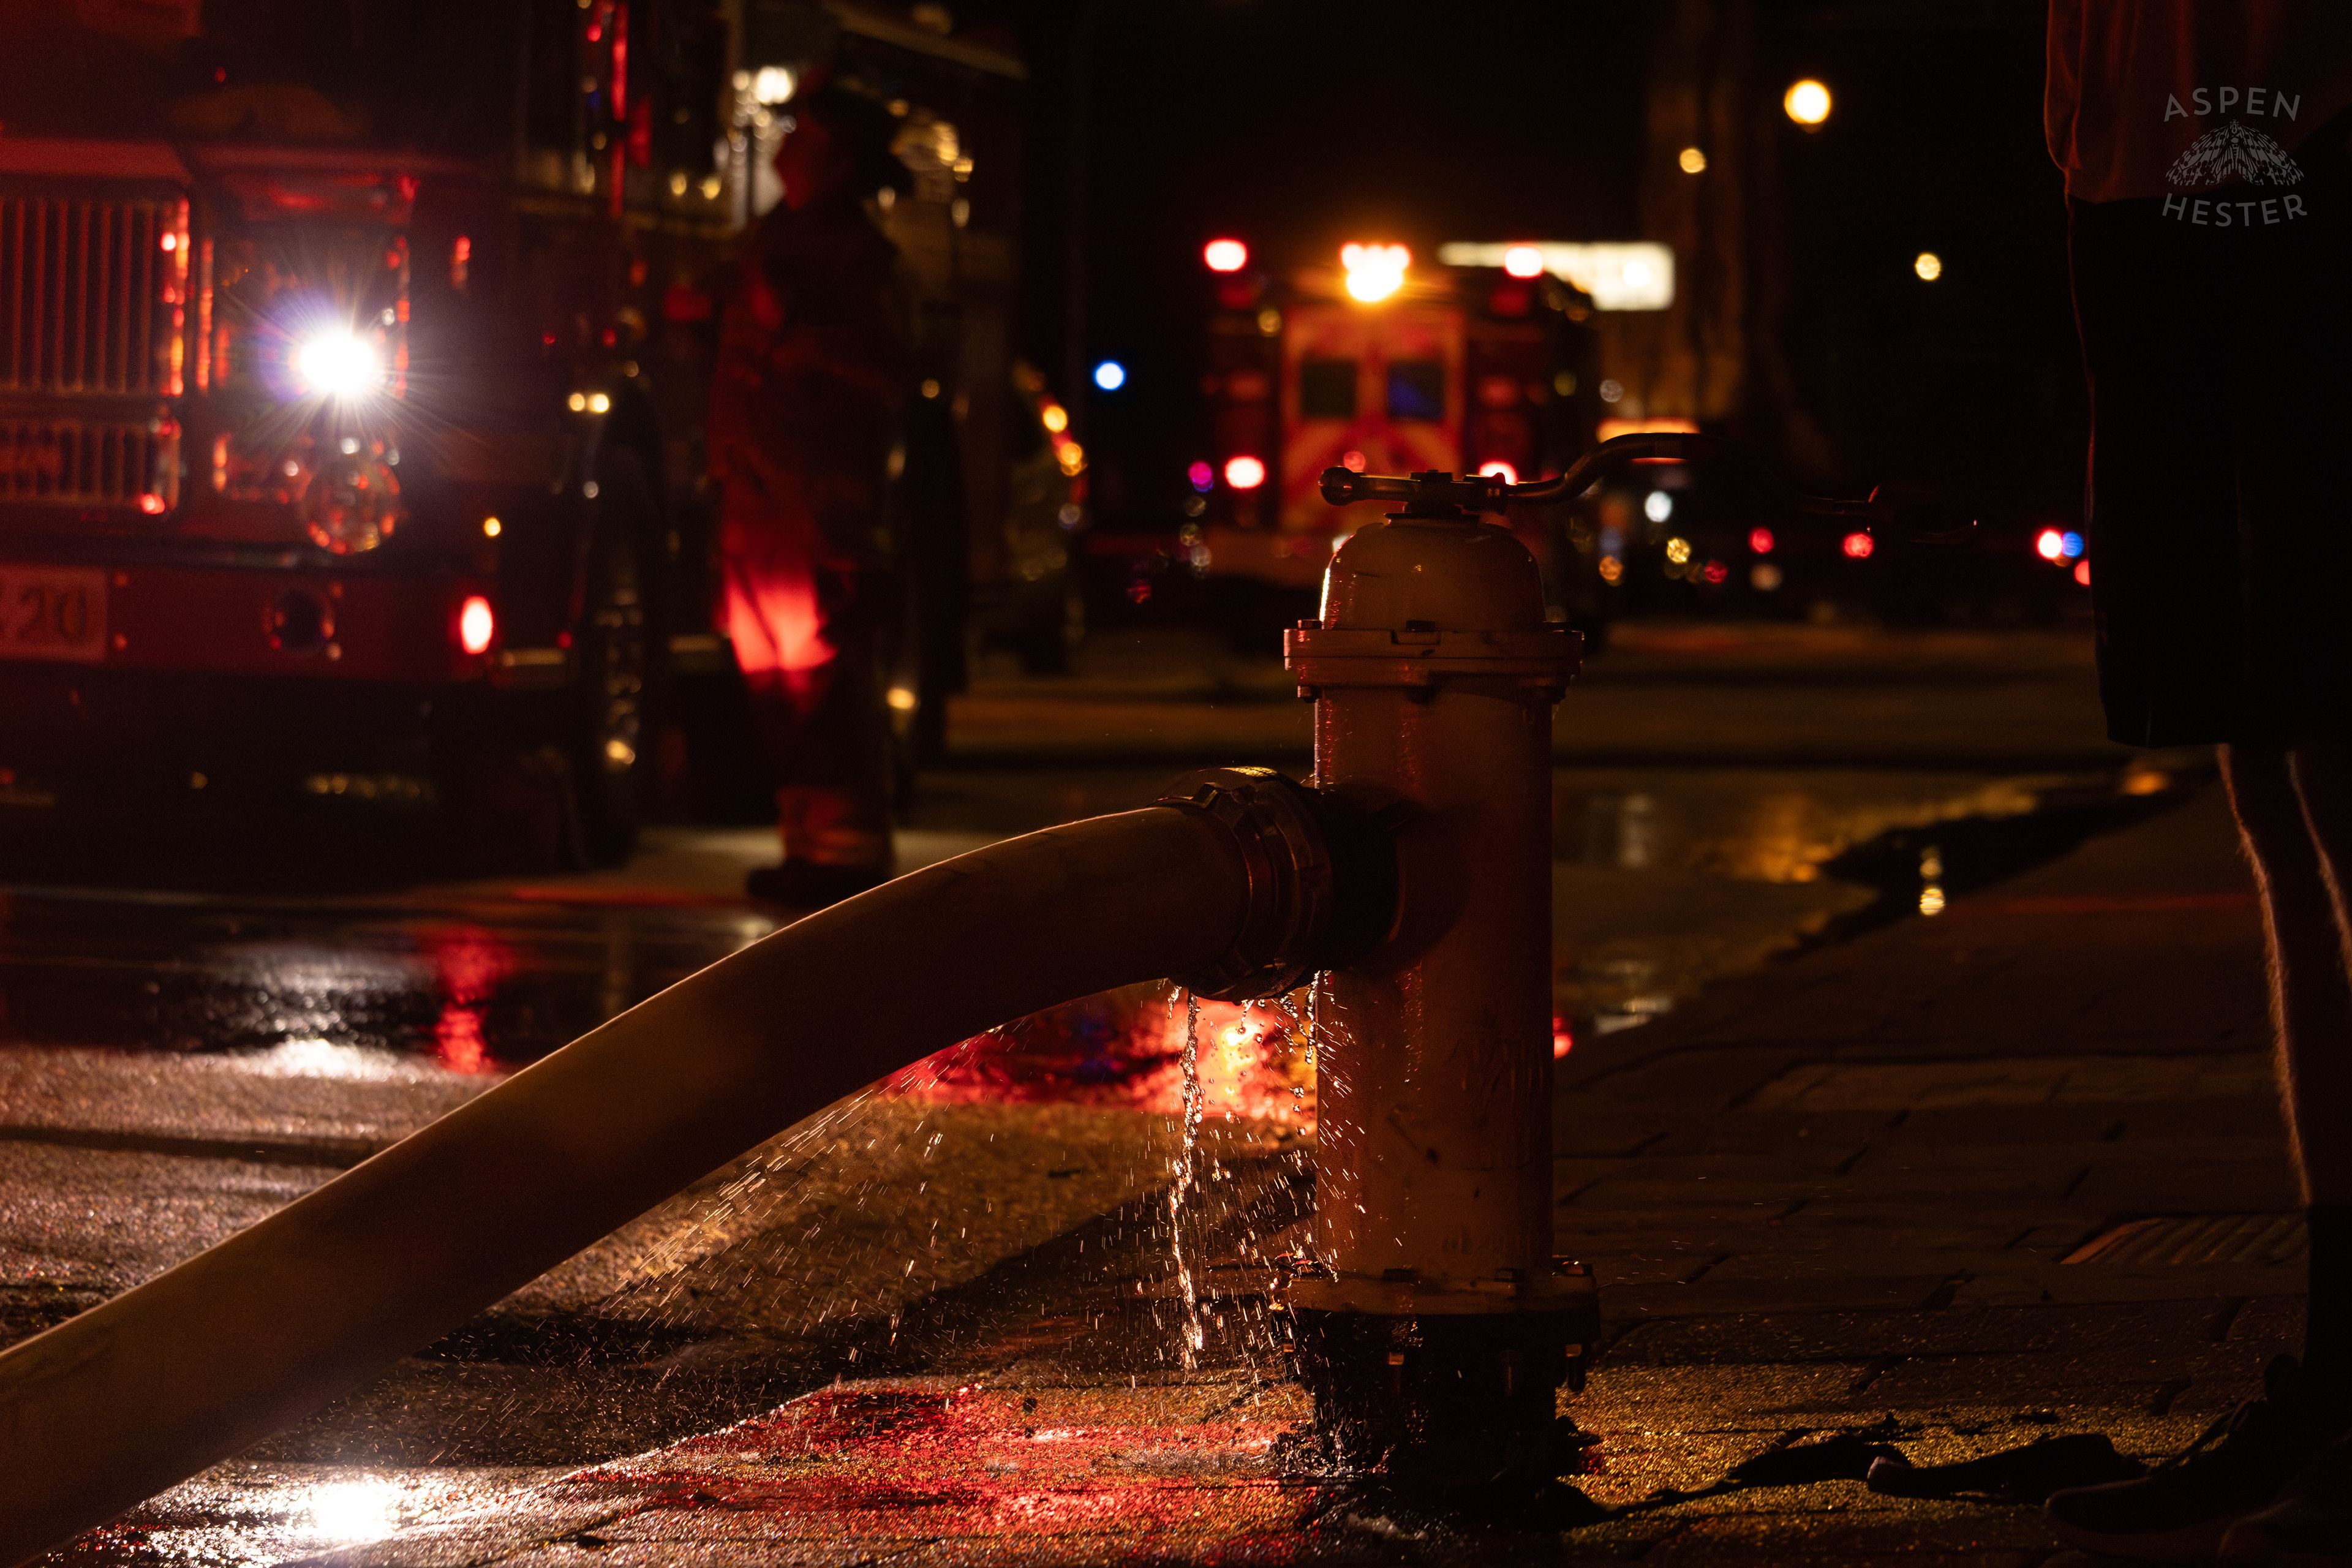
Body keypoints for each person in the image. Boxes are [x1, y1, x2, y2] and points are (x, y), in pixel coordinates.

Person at [2039, 4, 2352, 1558]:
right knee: (2274, 797)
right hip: (2135, 166)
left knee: (2341, 782)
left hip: (2307, 130)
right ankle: (2340, 1384)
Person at [707, 86, 910, 908]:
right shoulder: (772, 240)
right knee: (776, 689)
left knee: (823, 686)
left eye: (803, 135)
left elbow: (886, 371)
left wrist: (792, 327)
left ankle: (847, 860)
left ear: (839, 160)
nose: (785, 147)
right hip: (759, 499)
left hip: (820, 508)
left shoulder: (861, 259)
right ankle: (807, 849)